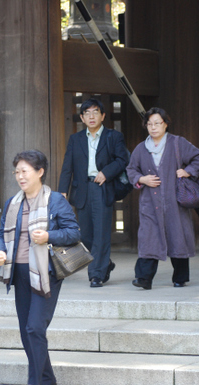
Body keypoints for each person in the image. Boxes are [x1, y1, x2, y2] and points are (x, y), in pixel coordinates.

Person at [0, 150, 80, 385]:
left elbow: (73, 232)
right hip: (18, 273)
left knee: (34, 328)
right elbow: (1, 234)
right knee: (26, 330)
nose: (20, 176)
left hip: (46, 273)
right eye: (17, 172)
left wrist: (49, 236)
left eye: (25, 171)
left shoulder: (55, 201)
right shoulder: (13, 203)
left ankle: (34, 383)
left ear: (40, 172)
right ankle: (48, 381)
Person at [126, 107, 199, 289]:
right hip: (149, 203)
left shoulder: (177, 143)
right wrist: (141, 179)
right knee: (148, 238)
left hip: (174, 201)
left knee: (177, 236)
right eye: (149, 124)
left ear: (165, 124)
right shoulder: (140, 148)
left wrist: (187, 172)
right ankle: (144, 278)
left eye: (157, 123)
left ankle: (180, 277)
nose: (153, 127)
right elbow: (131, 170)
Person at [58, 98, 129, 288]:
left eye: (95, 112)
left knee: (101, 234)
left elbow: (122, 160)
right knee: (86, 237)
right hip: (82, 190)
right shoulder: (76, 139)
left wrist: (106, 172)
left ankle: (96, 275)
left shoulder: (113, 137)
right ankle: (105, 263)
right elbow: (67, 167)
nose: (91, 116)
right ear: (82, 117)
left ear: (103, 115)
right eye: (87, 113)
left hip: (102, 189)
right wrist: (62, 192)